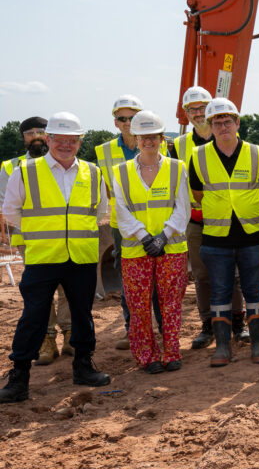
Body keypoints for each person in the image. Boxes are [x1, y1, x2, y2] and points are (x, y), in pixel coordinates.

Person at [0, 112, 111, 403]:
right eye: (59, 140)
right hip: (43, 258)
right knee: (33, 318)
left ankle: (83, 367)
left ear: (79, 141)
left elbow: (101, 213)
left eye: (72, 140)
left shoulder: (93, 172)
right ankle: (19, 378)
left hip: (81, 258)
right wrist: (42, 230)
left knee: (83, 316)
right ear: (49, 139)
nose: (65, 145)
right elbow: (11, 211)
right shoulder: (25, 171)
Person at [190, 98, 259, 367]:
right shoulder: (198, 156)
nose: (223, 126)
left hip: (251, 237)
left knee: (254, 291)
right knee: (220, 293)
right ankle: (222, 347)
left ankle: (258, 343)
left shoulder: (257, 153)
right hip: (215, 238)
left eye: (227, 121)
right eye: (217, 122)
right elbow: (198, 195)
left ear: (237, 123)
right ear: (210, 126)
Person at [112, 111, 190, 374]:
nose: (148, 141)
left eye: (153, 136)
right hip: (136, 251)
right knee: (139, 305)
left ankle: (171, 352)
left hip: (171, 248)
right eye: (143, 137)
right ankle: (147, 355)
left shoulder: (177, 168)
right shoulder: (120, 172)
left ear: (162, 138)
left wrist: (163, 236)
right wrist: (145, 237)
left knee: (170, 303)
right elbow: (121, 210)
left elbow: (183, 208)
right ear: (135, 138)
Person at [168, 86, 246, 349]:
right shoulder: (178, 146)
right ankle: (207, 324)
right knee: (201, 276)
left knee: (231, 274)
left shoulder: (229, 137)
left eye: (202, 107)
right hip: (196, 221)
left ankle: (238, 323)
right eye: (192, 109)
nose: (197, 113)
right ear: (186, 114)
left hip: (227, 220)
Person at [0, 116, 73, 365]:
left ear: (49, 135)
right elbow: (7, 208)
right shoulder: (11, 168)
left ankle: (70, 334)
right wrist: (36, 229)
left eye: (40, 131)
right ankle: (47, 339)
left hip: (67, 240)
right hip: (31, 242)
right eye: (29, 132)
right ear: (23, 137)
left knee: (67, 288)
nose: (36, 136)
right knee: (40, 294)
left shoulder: (64, 163)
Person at [94, 94, 154, 349]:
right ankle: (133, 330)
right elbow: (106, 191)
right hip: (122, 227)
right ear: (115, 122)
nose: (127, 122)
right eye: (122, 118)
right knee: (128, 279)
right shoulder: (104, 151)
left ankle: (161, 329)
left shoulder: (159, 143)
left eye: (132, 117)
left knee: (160, 278)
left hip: (156, 221)